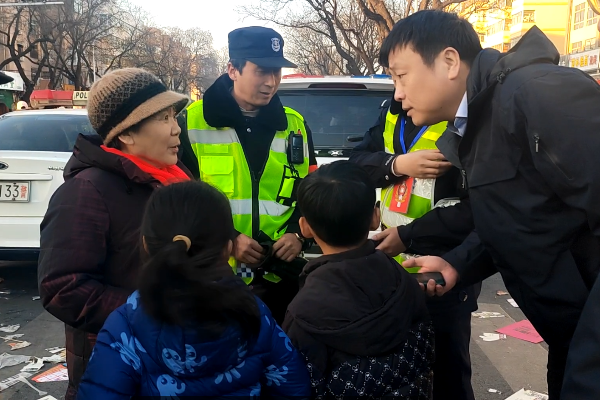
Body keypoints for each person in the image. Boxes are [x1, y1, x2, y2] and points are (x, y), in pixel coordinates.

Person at [379, 10, 600, 399]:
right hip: (570, 340)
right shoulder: (478, 124)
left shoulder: (540, 93)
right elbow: (522, 214)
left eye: (401, 76)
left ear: (449, 61)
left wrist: (588, 371)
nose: (397, 94)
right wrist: (459, 262)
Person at [38, 68, 193, 400]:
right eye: (164, 118)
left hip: (181, 358)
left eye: (174, 116)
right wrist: (153, 310)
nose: (176, 128)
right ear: (127, 134)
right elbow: (62, 288)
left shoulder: (175, 179)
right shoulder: (86, 192)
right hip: (118, 369)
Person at [76, 181, 311, 399]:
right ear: (228, 249)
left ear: (146, 244)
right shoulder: (255, 314)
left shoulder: (125, 324)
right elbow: (294, 389)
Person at [350, 97, 482, 400]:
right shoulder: (391, 111)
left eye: (403, 75)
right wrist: (396, 164)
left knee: (448, 377)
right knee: (399, 375)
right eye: (394, 77)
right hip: (392, 273)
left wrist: (409, 235)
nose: (400, 91)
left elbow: (478, 210)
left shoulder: (463, 119)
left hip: (443, 274)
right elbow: (356, 163)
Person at [185, 26, 318, 324]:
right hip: (214, 279)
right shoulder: (191, 122)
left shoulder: (295, 125)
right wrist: (229, 239)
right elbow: (179, 202)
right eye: (261, 71)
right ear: (233, 70)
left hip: (281, 281)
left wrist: (299, 235)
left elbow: (312, 191)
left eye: (276, 72)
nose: (271, 82)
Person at [283, 161, 434, 399]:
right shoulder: (405, 282)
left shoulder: (302, 313)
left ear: (305, 227)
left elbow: (295, 386)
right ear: (375, 217)